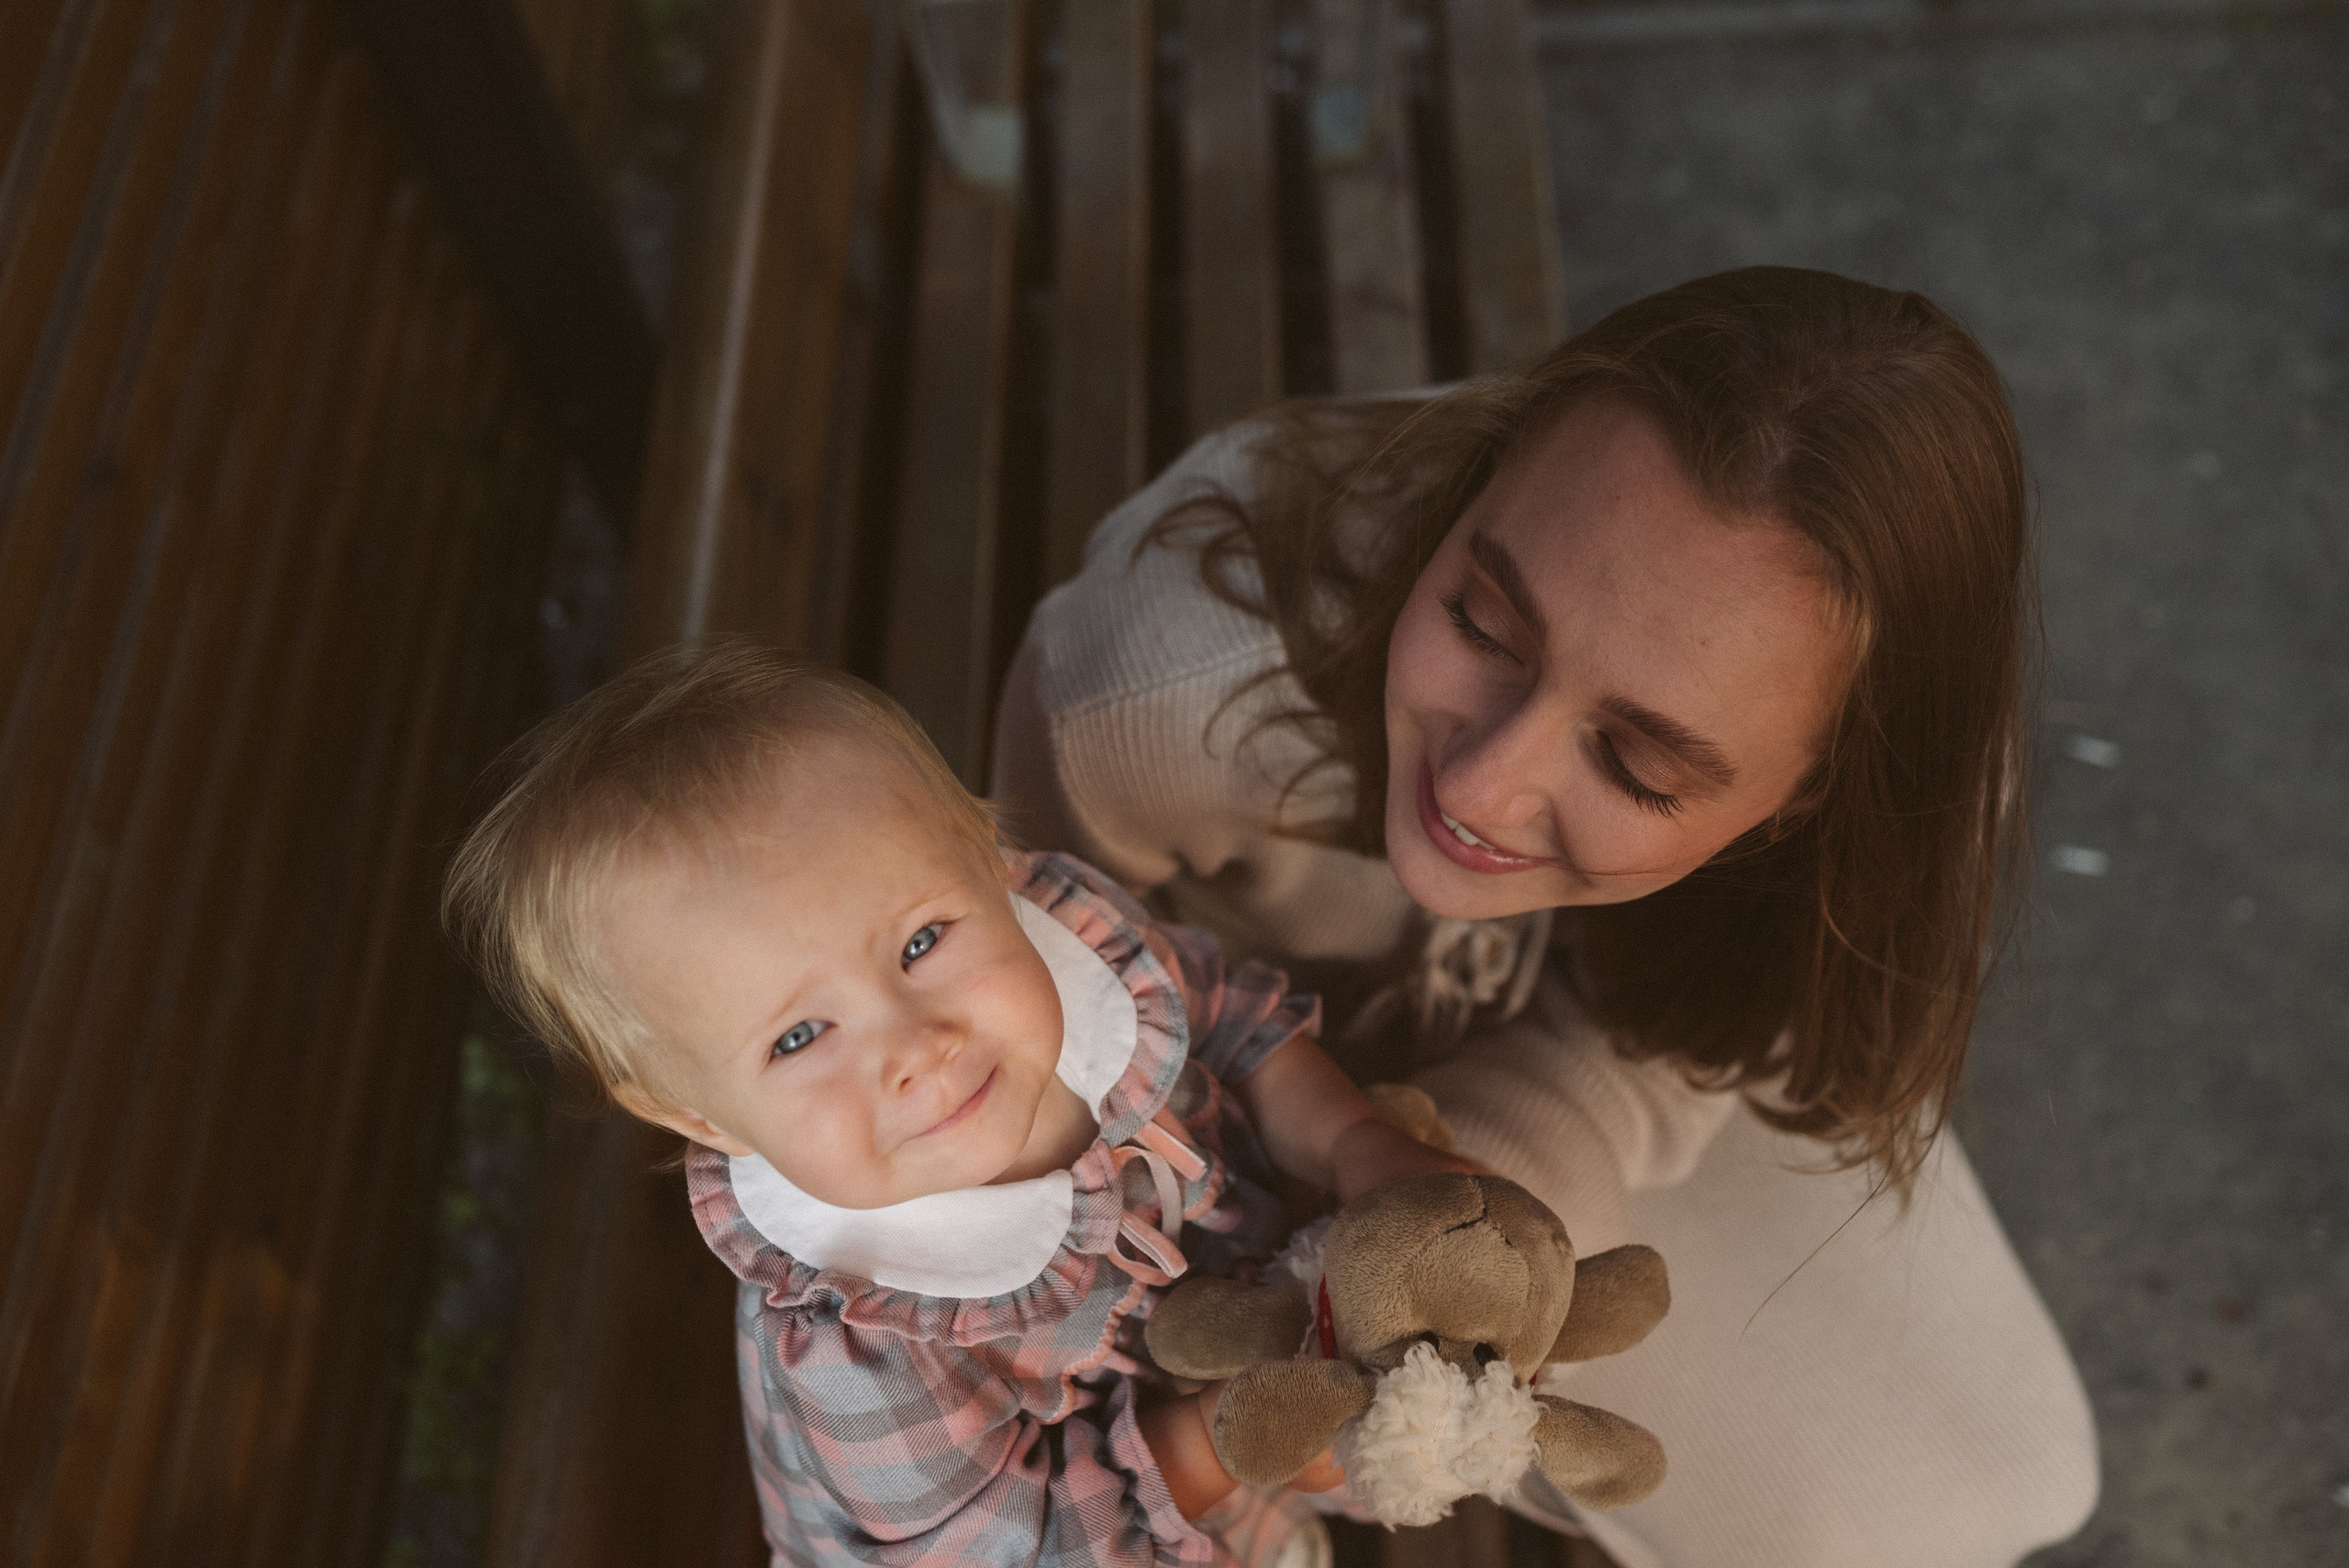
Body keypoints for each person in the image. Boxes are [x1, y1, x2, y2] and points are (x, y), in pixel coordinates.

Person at [991, 267, 2100, 1568]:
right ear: (1484, 470)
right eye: (1481, 618)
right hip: (1242, 1147)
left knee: (2024, 1473)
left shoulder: (1916, 785)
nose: (1476, 786)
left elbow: (1729, 1036)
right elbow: (1038, 1048)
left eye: (1639, 765)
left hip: (1590, 1068)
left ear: (1811, 800)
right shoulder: (1150, 700)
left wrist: (1496, 1200)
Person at [440, 644, 1470, 1567]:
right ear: (700, 1117)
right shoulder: (867, 1332)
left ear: (987, 859)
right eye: (799, 1037)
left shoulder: (1076, 949)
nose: (914, 1047)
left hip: (1260, 1379)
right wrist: (1250, 1426)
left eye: (923, 940)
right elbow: (1025, 1547)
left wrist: (1355, 1140)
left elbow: (1230, 1017)